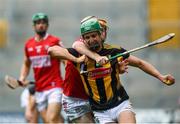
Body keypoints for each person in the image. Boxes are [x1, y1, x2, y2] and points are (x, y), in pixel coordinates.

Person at [49, 17, 175, 123]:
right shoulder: (79, 52)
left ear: (100, 34)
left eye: (94, 35)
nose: (91, 40)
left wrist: (160, 76)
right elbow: (52, 50)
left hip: (120, 103)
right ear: (83, 38)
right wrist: (76, 60)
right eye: (87, 37)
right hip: (97, 108)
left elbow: (140, 63)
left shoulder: (114, 51)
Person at [18, 12, 65, 123]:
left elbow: (65, 60)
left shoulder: (54, 41)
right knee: (50, 121)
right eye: (38, 23)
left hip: (55, 87)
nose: (41, 25)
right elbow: (26, 63)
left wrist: (69, 79)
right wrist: (22, 77)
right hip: (39, 89)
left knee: (51, 119)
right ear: (34, 26)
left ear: (47, 25)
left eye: (43, 23)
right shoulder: (28, 45)